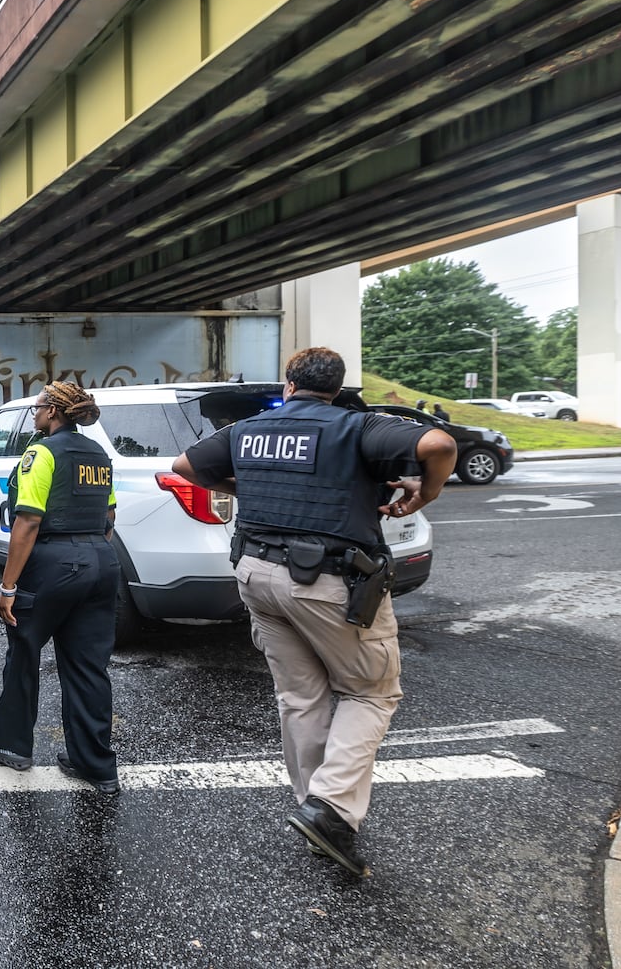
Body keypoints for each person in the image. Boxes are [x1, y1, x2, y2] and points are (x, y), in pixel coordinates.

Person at [169, 348, 456, 875]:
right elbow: (438, 441)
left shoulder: (251, 430)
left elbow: (184, 465)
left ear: (289, 384)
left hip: (257, 575)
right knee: (371, 690)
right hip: (327, 582)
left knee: (300, 697)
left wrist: (242, 486)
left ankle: (316, 811)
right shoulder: (357, 427)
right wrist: (426, 493)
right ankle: (329, 808)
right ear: (338, 387)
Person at [0, 381, 121, 795]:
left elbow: (28, 521)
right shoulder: (98, 454)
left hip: (53, 563)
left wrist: (8, 586)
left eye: (39, 407)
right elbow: (109, 514)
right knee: (88, 666)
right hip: (100, 561)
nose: (35, 414)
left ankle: (13, 745)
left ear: (54, 412)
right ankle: (94, 764)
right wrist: (91, 560)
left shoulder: (40, 453)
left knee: (24, 652)